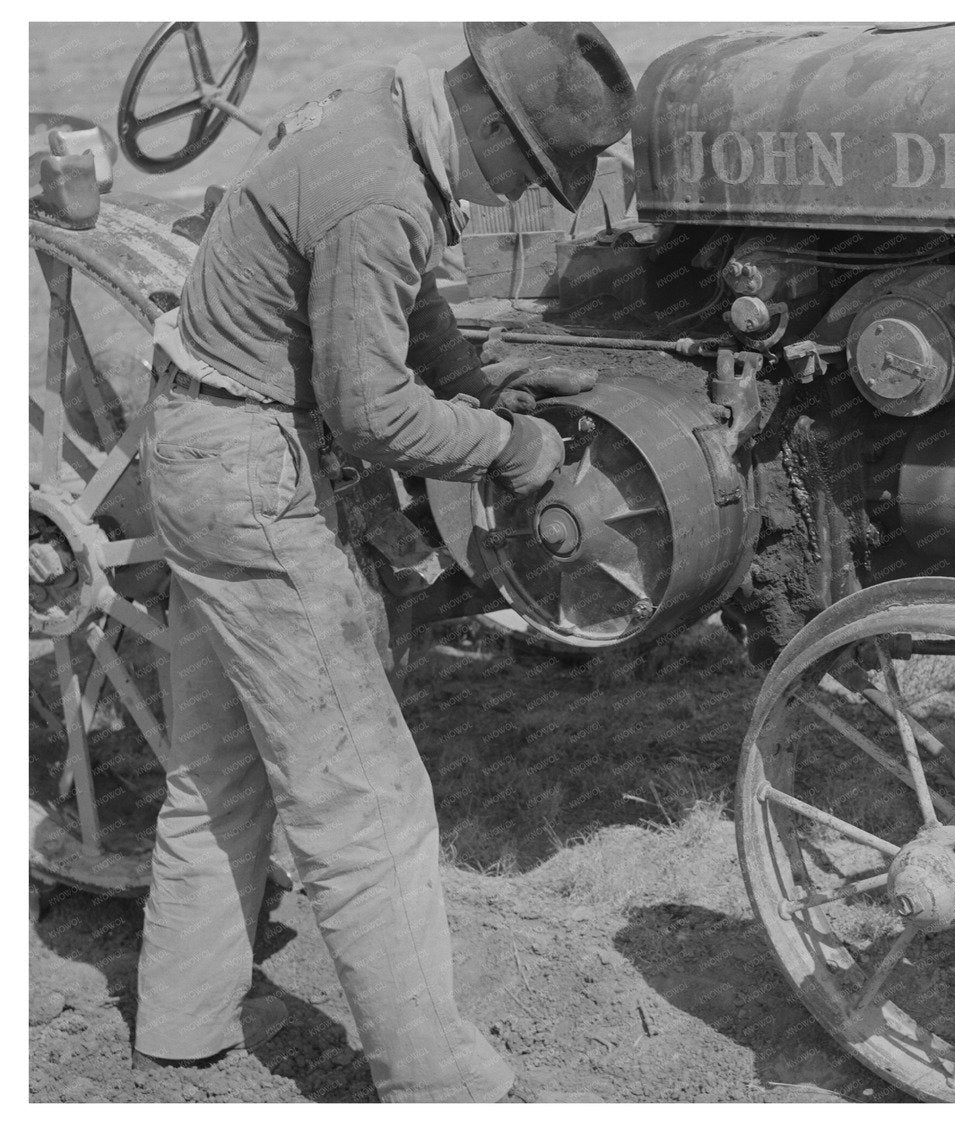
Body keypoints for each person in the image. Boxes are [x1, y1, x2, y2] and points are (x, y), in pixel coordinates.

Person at [131, 23, 633, 1102]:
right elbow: (365, 411)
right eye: (527, 174)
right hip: (254, 480)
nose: (512, 200)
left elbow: (411, 307)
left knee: (216, 763)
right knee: (367, 792)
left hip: (194, 450)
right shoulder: (383, 194)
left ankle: (179, 1020)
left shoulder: (375, 121)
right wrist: (508, 444)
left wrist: (474, 385)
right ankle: (434, 1079)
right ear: (491, 120)